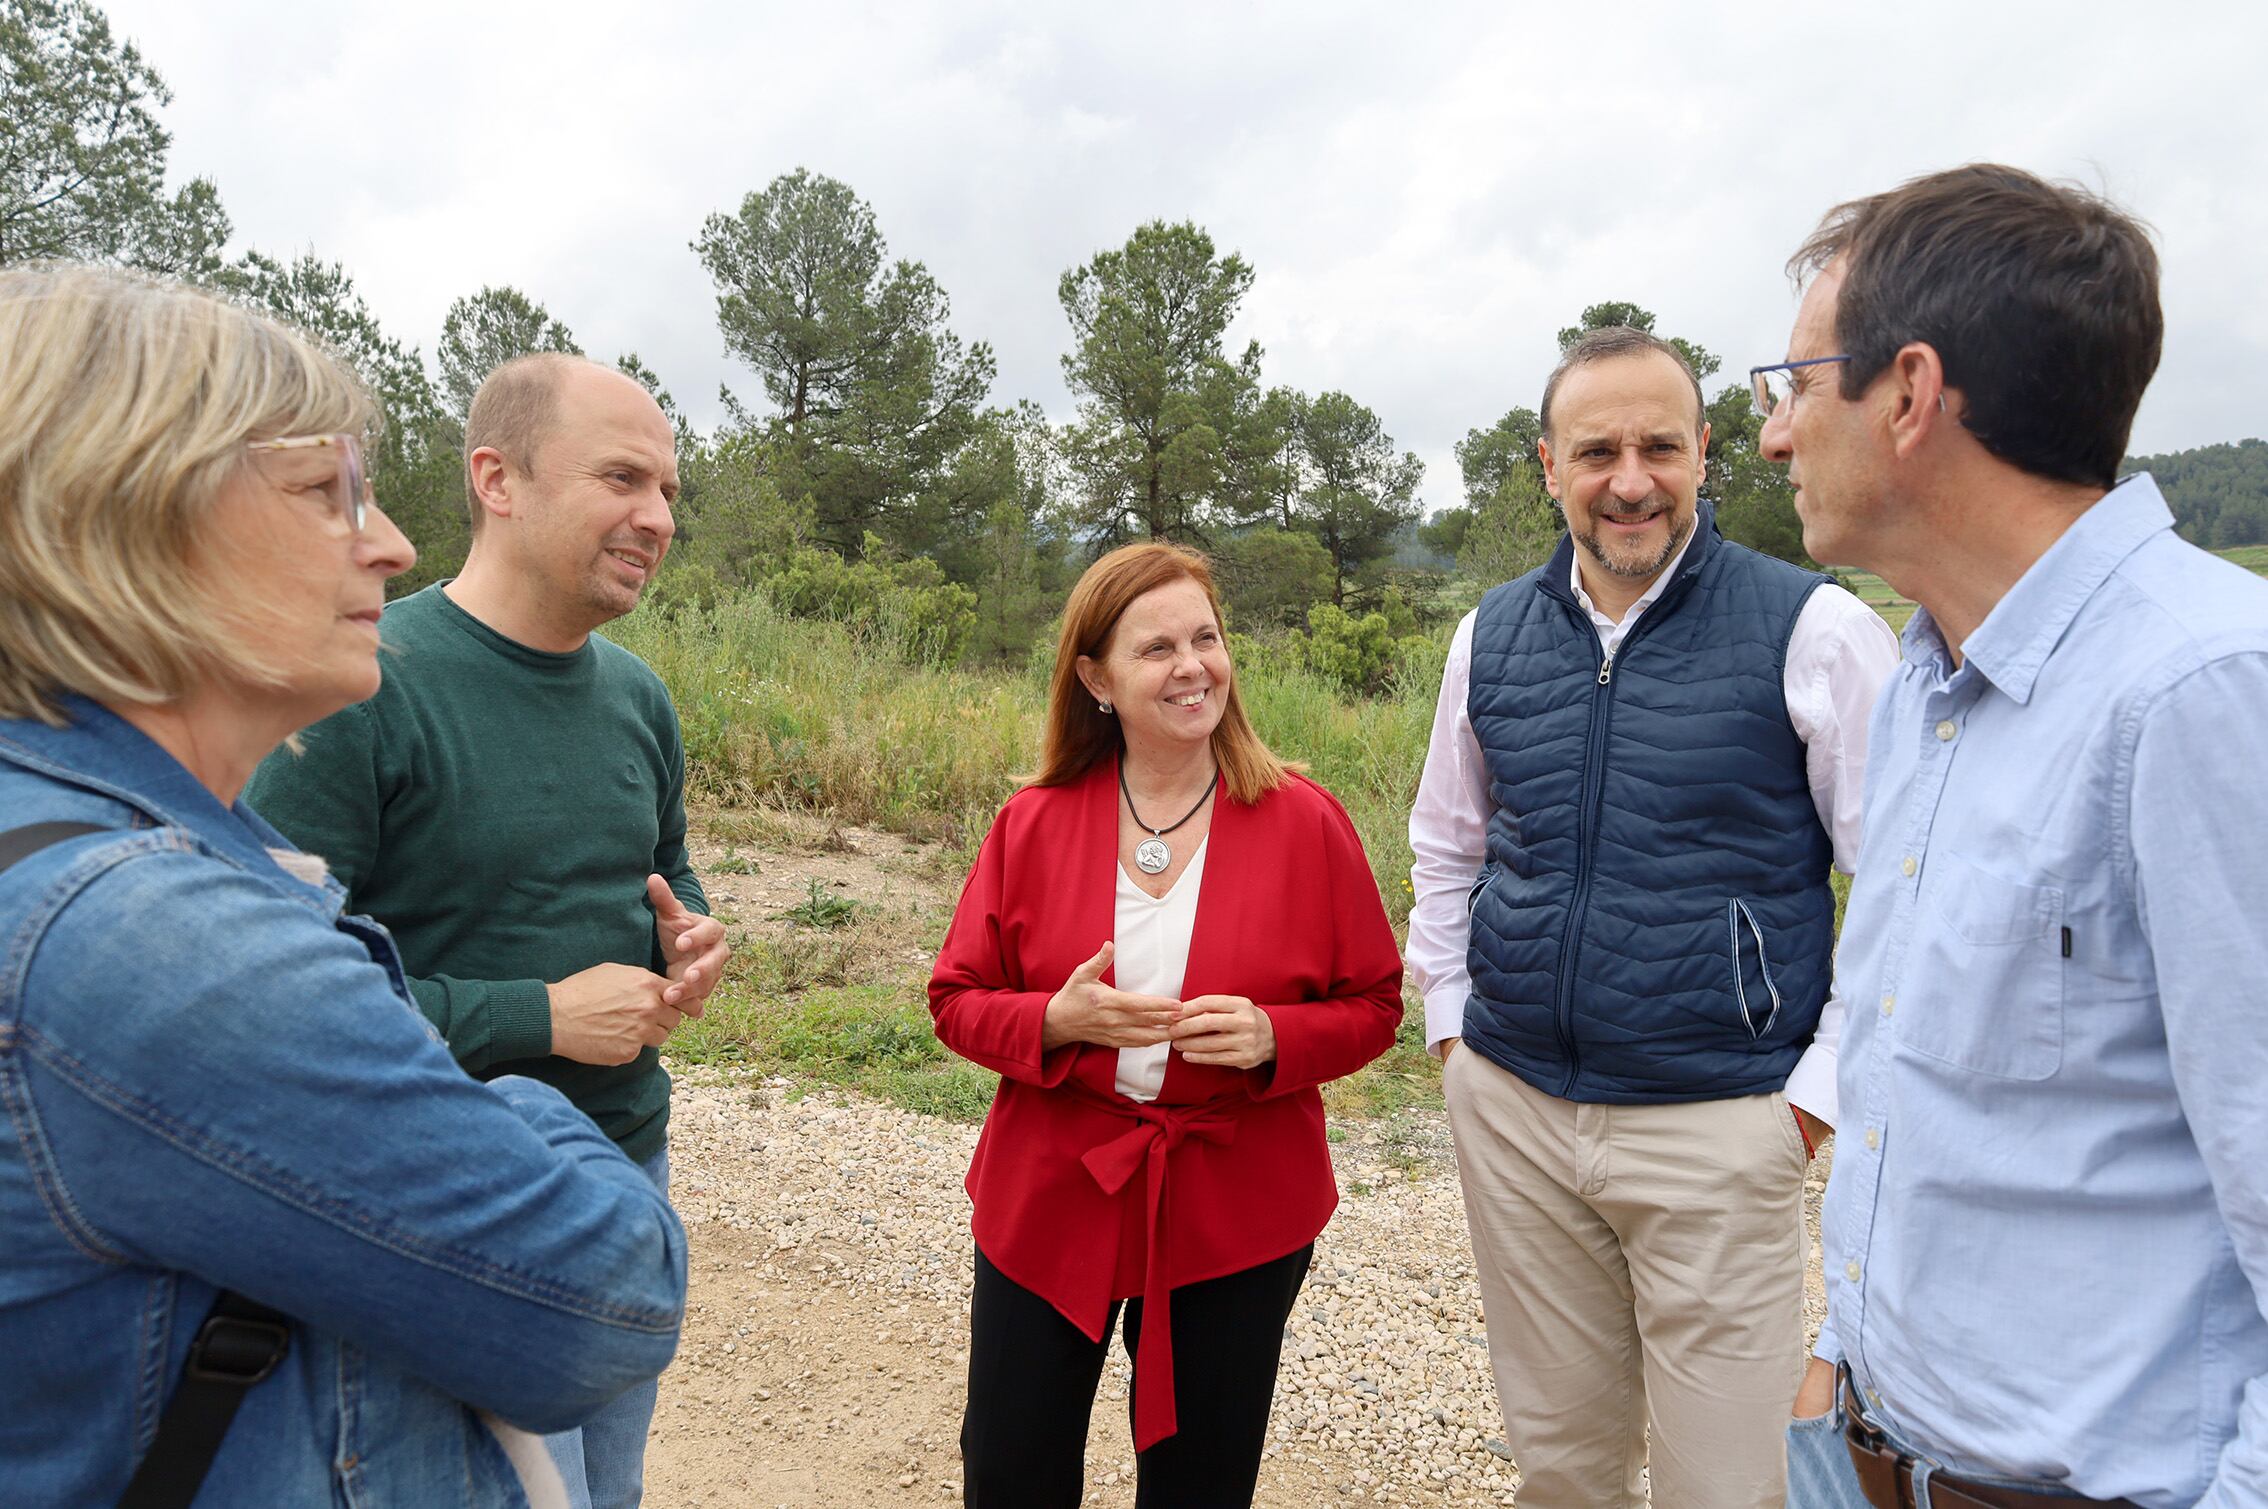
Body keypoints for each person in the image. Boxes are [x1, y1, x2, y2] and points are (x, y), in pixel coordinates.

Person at [0, 264, 686, 1507]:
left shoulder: (77, 834)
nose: (388, 540)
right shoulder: (154, 939)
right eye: (324, 492)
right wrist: (516, 1082)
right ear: (123, 518)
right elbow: (608, 1296)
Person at [1764, 166, 2268, 1509]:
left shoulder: (2203, 692)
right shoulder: (1925, 677)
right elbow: (1935, 1090)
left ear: (1912, 394)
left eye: (1802, 383)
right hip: (1867, 1460)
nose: (1772, 436)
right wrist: (1837, 1364)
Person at [1407, 325, 1900, 1505]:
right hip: (1518, 1111)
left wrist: (1811, 1104)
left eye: (1659, 447)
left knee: (1724, 1489)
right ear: (1548, 467)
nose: (1630, 480)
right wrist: (1451, 1028)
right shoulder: (1493, 634)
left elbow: (1902, 888)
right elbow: (1448, 841)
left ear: (1704, 454)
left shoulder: (1817, 631)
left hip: (1720, 1124)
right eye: (1597, 452)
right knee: (1564, 1471)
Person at [241, 351, 724, 1509]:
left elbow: (668, 874)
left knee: (604, 1489)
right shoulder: (364, 682)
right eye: (621, 479)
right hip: (439, 1198)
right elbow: (284, 996)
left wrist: (691, 939)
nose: (656, 518)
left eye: (666, 490)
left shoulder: (637, 694)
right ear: (497, 479)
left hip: (623, 1179)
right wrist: (543, 1015)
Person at [929, 541, 1403, 1508]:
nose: (1193, 667)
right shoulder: (1033, 820)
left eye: (1207, 638)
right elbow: (956, 997)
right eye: (1157, 649)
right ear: (1097, 677)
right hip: (1054, 1184)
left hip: (1234, 1198)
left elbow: (1375, 1004)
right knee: (1011, 1466)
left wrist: (1279, 1037)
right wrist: (1052, 1021)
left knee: (1202, 1480)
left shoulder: (1306, 820)